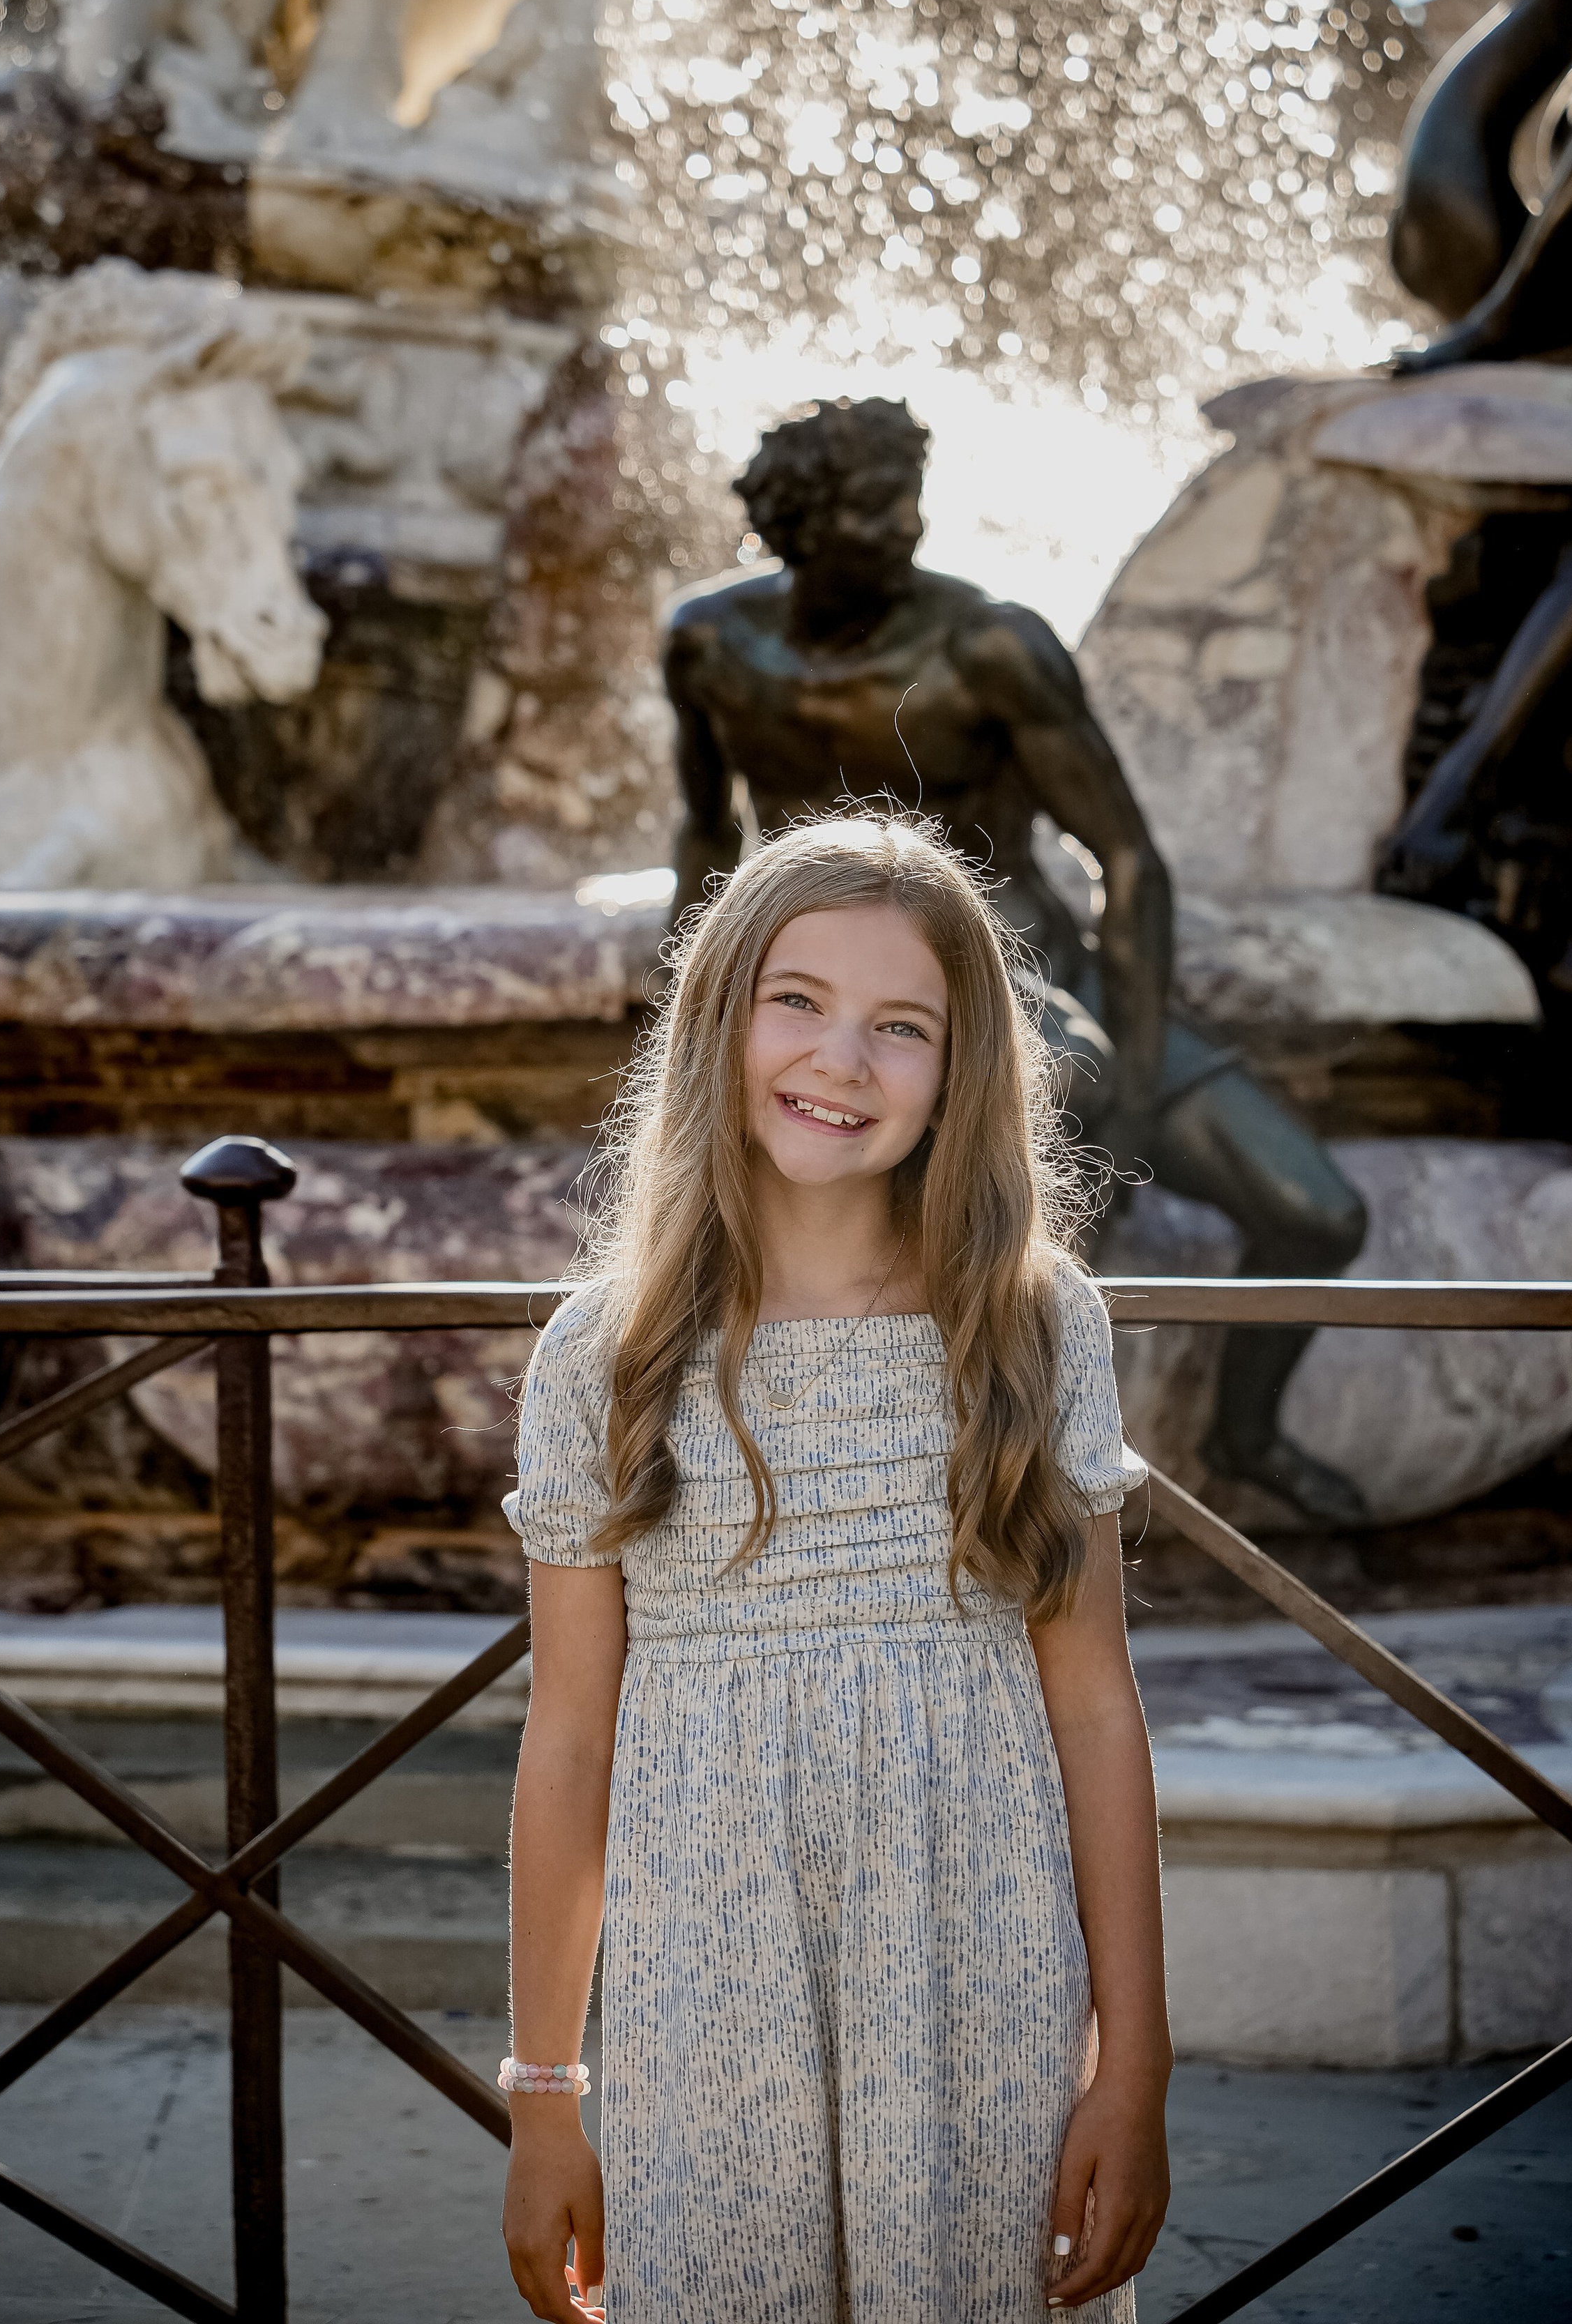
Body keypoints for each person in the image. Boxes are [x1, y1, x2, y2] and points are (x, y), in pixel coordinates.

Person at [501, 813, 1172, 2323]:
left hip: (979, 1982)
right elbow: (569, 1738)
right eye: (794, 1001)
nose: (840, 1061)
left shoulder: (1030, 1325)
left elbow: (1095, 1709)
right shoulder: (602, 1357)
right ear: (717, 1018)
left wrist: (1130, 2069)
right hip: (701, 1996)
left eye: (900, 1027)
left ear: (960, 1074)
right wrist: (544, 2095)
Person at [663, 397, 1368, 1525]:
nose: (903, 527)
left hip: (1028, 974)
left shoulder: (990, 648)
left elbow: (1130, 859)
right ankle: (975, 1484)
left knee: (1317, 1212)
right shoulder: (708, 645)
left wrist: (1137, 1081)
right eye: (868, 506)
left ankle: (1241, 1441)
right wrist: (686, 1019)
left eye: (908, 500)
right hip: (849, 993)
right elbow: (704, 838)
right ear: (795, 522)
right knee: (1011, 1138)